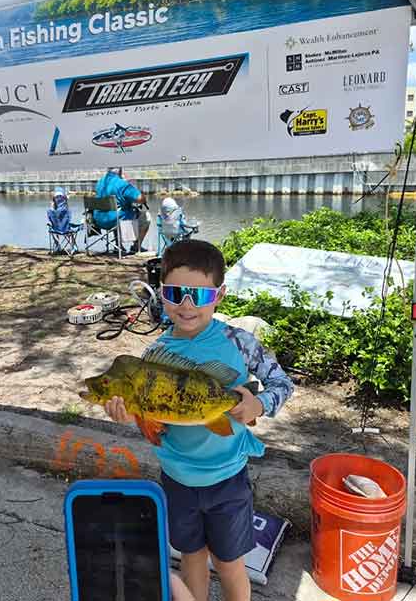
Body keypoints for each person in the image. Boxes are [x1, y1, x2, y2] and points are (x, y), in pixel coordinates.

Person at [104, 240, 294, 601]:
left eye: (198, 294)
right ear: (162, 292)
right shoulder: (154, 355)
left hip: (228, 479)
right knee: (191, 557)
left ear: (219, 295)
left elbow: (284, 383)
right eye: (176, 293)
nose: (186, 305)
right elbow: (154, 429)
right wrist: (133, 415)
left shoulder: (239, 342)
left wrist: (260, 404)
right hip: (177, 479)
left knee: (229, 563)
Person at [93, 166, 151, 252]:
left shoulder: (100, 182)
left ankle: (118, 245)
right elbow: (140, 199)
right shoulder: (122, 184)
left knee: (115, 211)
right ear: (120, 171)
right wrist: (140, 193)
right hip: (114, 220)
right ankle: (136, 246)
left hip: (98, 220)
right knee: (146, 217)